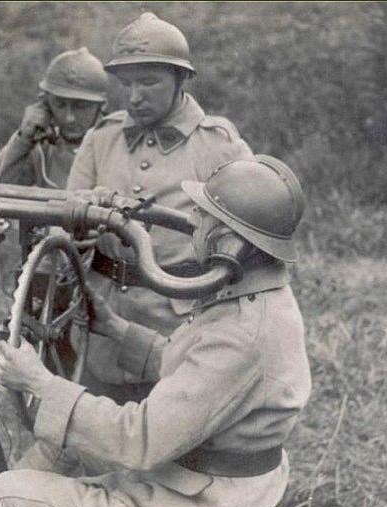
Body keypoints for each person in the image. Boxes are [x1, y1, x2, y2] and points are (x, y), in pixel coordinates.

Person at [0, 155, 312, 507]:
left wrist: (39, 384)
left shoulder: (240, 333)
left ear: (229, 242)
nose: (194, 223)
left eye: (205, 217)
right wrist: (118, 331)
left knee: (2, 500)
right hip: (206, 479)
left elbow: (141, 439)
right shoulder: (258, 298)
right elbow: (200, 379)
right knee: (60, 450)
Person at [65, 12, 254, 400]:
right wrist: (83, 224)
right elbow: (64, 223)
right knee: (96, 422)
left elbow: (249, 238)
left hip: (179, 329)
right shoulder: (101, 139)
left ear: (181, 79)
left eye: (148, 82)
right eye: (126, 83)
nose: (134, 97)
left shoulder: (218, 145)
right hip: (101, 322)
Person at [0, 47, 108, 189]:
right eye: (59, 104)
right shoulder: (42, 149)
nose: (69, 117)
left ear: (102, 105)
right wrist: (23, 139)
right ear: (46, 103)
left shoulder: (113, 145)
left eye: (81, 106)